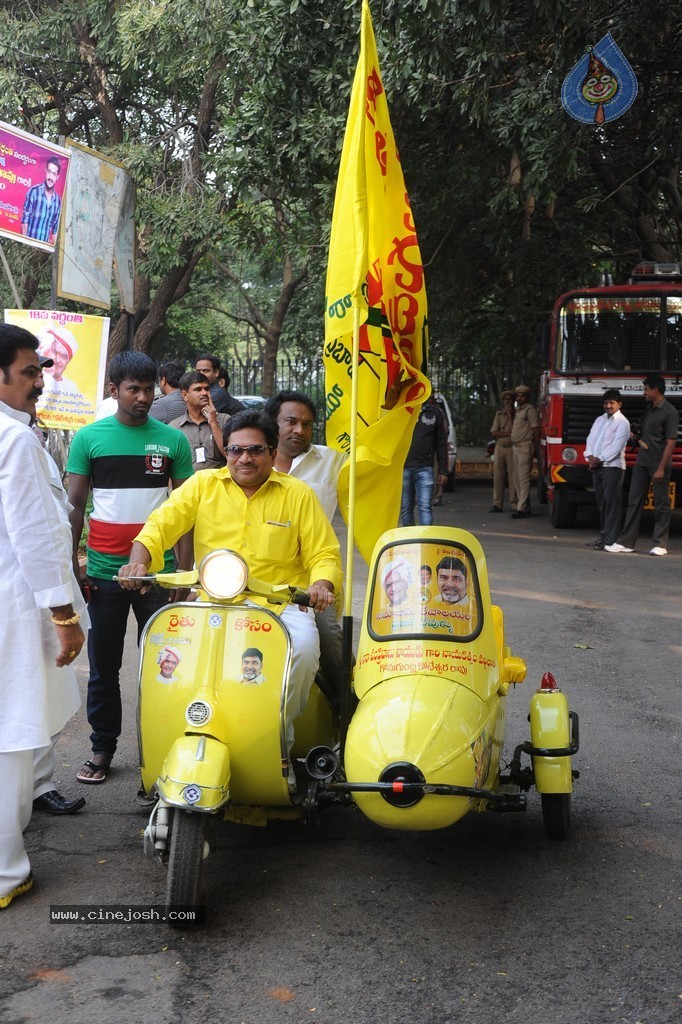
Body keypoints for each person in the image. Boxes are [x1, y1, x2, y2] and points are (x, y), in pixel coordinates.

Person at [117, 409, 342, 757]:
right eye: (236, 450)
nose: (244, 458)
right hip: (212, 602)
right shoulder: (203, 485)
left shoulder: (298, 494)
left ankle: (277, 738)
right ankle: (168, 744)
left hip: (280, 605)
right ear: (226, 451)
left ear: (271, 451)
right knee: (168, 658)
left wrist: (322, 585)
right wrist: (138, 561)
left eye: (255, 450)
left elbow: (323, 553)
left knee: (305, 649)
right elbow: (161, 524)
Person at [67, 351, 194, 783]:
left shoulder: (172, 441)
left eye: (147, 388)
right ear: (113, 390)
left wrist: (184, 570)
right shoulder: (89, 438)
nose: (142, 397)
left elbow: (184, 509)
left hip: (158, 576)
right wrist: (73, 563)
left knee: (165, 668)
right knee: (104, 666)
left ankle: (159, 758)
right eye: (131, 389)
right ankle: (102, 750)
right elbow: (75, 506)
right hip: (103, 572)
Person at [0, 324, 85, 909]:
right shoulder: (14, 441)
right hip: (16, 605)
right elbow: (35, 533)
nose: (39, 382)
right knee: (13, 731)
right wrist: (63, 613)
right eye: (29, 372)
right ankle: (6, 873)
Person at [265, 390, 347, 701]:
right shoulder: (253, 460)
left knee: (327, 639)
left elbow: (373, 462)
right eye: (291, 421)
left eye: (307, 424)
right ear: (273, 423)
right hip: (261, 574)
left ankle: (348, 707)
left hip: (314, 576)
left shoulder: (332, 461)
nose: (300, 430)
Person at [606, 375, 680, 556]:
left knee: (661, 503)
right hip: (642, 462)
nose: (644, 393)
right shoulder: (649, 410)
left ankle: (660, 544)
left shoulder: (670, 412)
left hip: (658, 463)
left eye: (646, 389)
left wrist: (661, 467)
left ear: (656, 390)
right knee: (634, 501)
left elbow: (671, 442)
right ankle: (626, 542)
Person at [584, 389, 630, 550]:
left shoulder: (623, 423)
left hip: (612, 468)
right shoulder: (600, 420)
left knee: (612, 504)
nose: (608, 406)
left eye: (611, 403)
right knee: (602, 503)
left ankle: (611, 540)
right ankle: (603, 536)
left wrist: (598, 459)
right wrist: (589, 456)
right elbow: (590, 439)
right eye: (606, 403)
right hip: (597, 466)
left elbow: (616, 448)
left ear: (619, 404)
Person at [169, 371, 232, 471]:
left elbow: (231, 456)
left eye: (207, 389)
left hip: (218, 484)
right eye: (198, 389)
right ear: (185, 395)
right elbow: (170, 466)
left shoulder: (225, 420)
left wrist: (214, 423)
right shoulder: (174, 427)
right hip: (189, 484)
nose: (204, 393)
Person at [400, 395, 448, 526]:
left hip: (425, 467)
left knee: (425, 506)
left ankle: (424, 541)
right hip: (405, 466)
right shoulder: (402, 410)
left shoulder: (435, 413)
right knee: (405, 507)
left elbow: (441, 443)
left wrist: (443, 470)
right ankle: (409, 541)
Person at [510, 385, 540, 518]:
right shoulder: (518, 410)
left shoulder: (530, 410)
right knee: (516, 478)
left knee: (524, 479)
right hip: (516, 446)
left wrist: (537, 447)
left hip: (525, 446)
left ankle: (521, 508)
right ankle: (524, 506)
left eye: (522, 396)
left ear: (527, 397)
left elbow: (535, 429)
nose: (519, 398)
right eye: (518, 396)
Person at [21, 155, 62, 244]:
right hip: (29, 248)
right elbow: (24, 222)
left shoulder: (58, 202)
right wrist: (25, 244)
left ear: (57, 177)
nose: (50, 177)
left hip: (43, 252)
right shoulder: (34, 192)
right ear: (45, 171)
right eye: (49, 172)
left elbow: (55, 230)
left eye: (54, 174)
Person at [489, 390, 517, 513]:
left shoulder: (517, 414)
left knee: (513, 477)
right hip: (500, 448)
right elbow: (494, 432)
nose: (508, 401)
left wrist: (511, 415)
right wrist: (509, 434)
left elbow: (515, 431)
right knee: (498, 477)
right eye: (506, 399)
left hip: (512, 449)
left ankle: (514, 504)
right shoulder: (499, 414)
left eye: (510, 399)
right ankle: (497, 504)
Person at [36, 327, 81, 398]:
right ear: (47, 351)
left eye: (63, 356)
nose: (57, 360)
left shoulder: (72, 388)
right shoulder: (34, 379)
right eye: (54, 352)